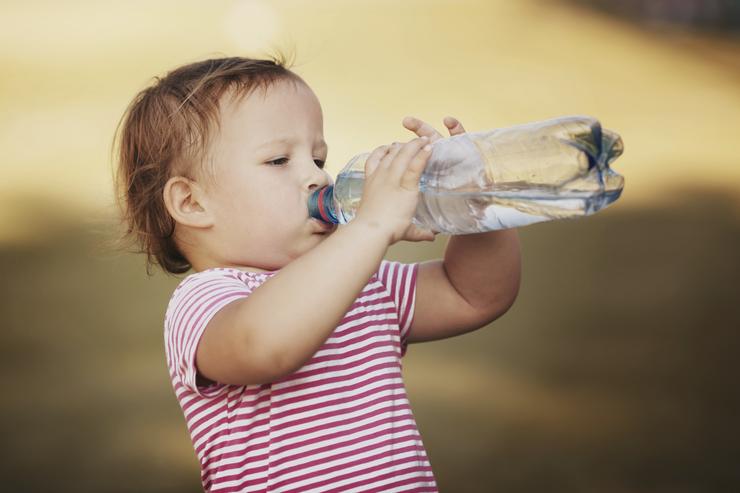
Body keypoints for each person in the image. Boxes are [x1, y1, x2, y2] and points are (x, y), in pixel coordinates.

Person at [113, 53, 521, 493]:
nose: (316, 177)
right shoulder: (206, 300)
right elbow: (265, 346)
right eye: (278, 161)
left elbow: (475, 295)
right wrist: (371, 227)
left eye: (319, 159)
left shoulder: (363, 279)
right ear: (192, 203)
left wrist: (474, 209)